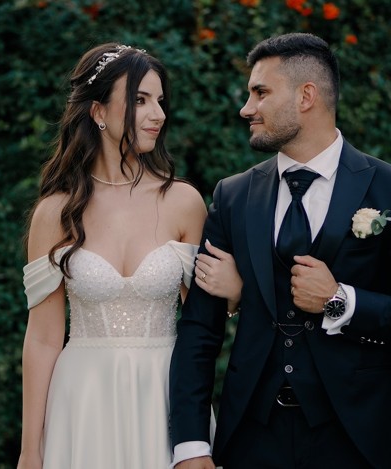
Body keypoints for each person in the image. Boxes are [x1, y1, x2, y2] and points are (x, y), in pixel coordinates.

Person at [169, 33, 391, 469]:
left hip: (358, 441)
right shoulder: (234, 196)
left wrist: (340, 301)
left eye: (260, 92)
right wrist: (191, 446)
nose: (246, 108)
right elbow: (199, 330)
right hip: (251, 440)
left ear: (306, 96)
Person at [18, 43, 241, 469]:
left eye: (160, 101)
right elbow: (43, 339)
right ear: (98, 111)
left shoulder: (183, 202)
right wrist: (31, 450)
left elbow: (203, 326)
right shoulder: (55, 213)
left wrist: (234, 293)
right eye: (140, 100)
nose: (158, 114)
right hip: (82, 402)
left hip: (164, 396)